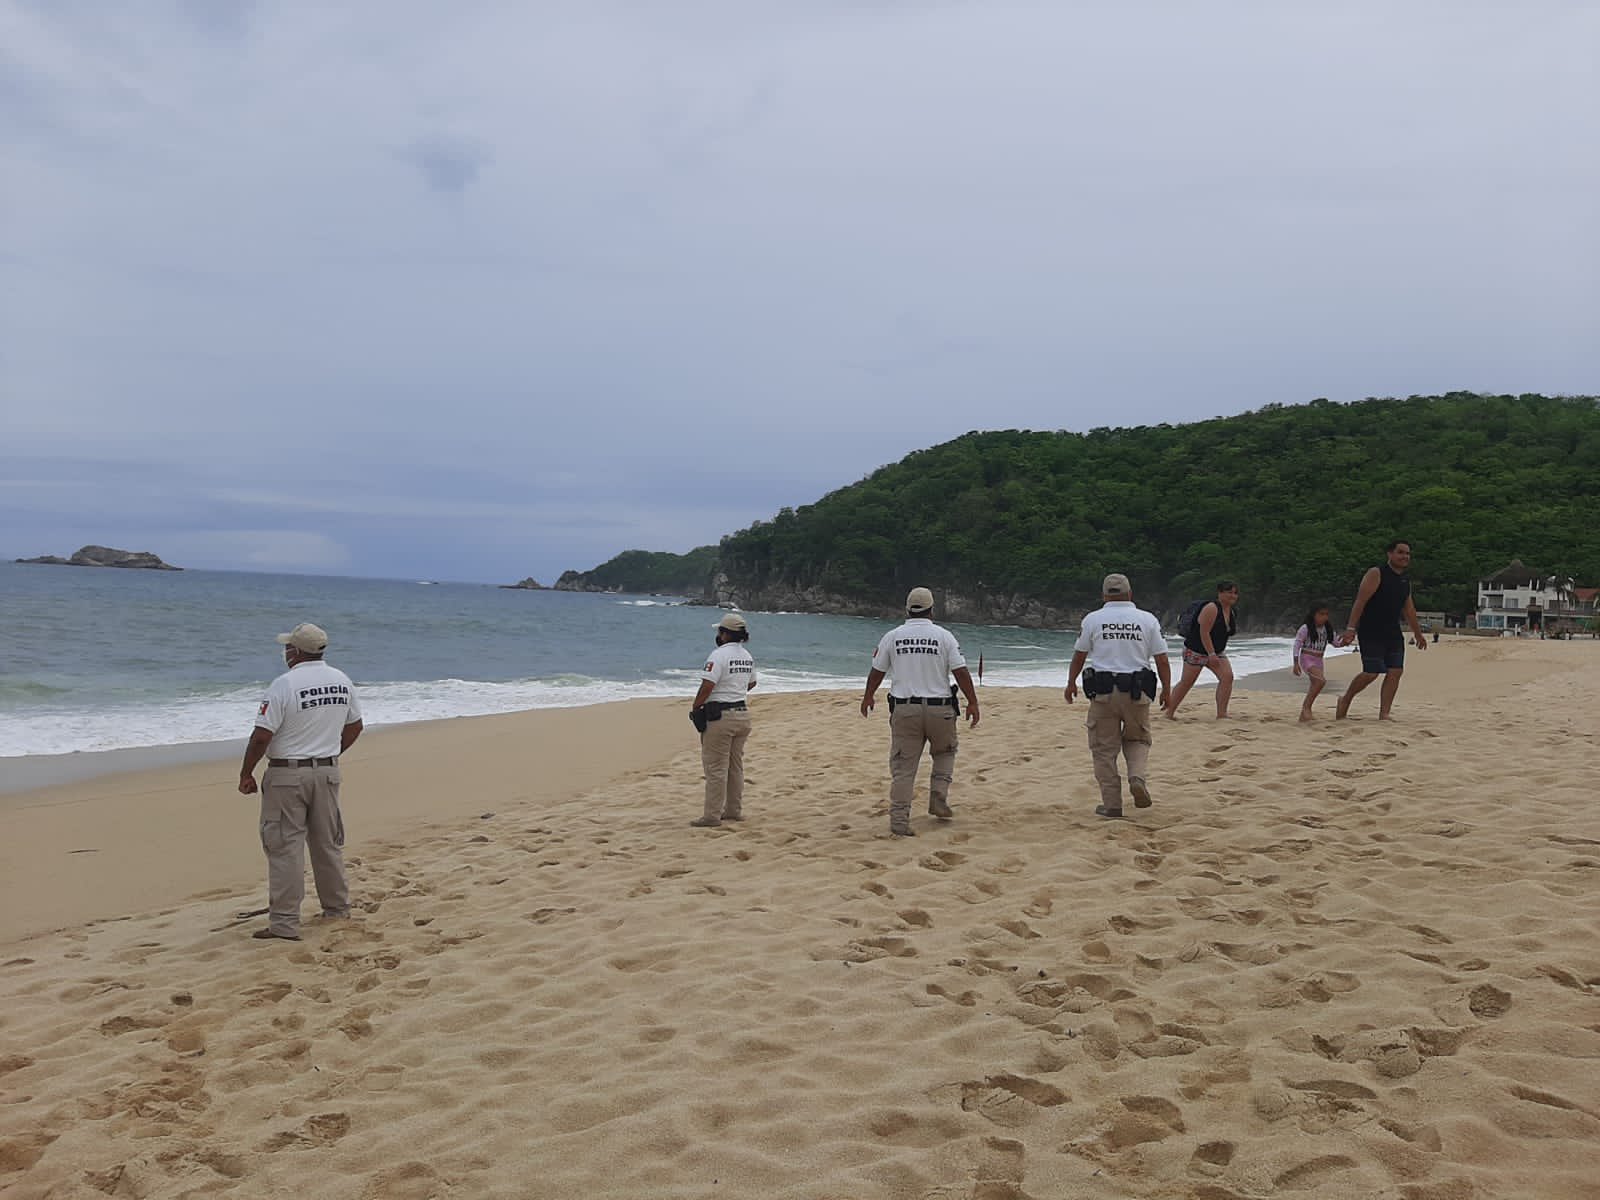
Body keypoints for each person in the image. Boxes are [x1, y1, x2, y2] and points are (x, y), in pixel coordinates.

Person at [237, 623, 364, 941]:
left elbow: (261, 736)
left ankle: (284, 923)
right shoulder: (341, 680)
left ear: (294, 651)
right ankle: (336, 909)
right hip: (327, 771)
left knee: (284, 847)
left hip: (287, 775)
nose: (285, 652)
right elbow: (355, 726)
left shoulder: (284, 685)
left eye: (287, 647)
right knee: (327, 844)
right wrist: (331, 753)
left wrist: (246, 773)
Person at [860, 587, 980, 837]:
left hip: (905, 709)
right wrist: (973, 701)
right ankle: (938, 795)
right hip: (941, 709)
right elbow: (960, 671)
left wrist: (868, 696)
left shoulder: (892, 636)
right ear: (932, 609)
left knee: (904, 767)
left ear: (907, 609)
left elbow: (877, 671)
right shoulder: (944, 636)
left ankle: (900, 821)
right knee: (945, 753)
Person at [1065, 574, 1172, 818]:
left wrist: (1071, 683)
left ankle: (1112, 804)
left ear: (1104, 596)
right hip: (1138, 691)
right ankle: (1136, 777)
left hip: (1103, 693)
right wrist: (1167, 688)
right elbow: (1161, 658)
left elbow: (1080, 655)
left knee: (1104, 749)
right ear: (1130, 594)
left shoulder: (1093, 619)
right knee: (1138, 740)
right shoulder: (1147, 619)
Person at [1336, 540, 1428, 720]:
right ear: (1390, 554)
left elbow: (1409, 609)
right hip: (1371, 630)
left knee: (1395, 671)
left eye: (1408, 554)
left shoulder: (1405, 580)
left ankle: (1384, 713)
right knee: (1371, 672)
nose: (1405, 557)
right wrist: (1350, 628)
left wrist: (1418, 634)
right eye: (1400, 552)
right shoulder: (1376, 573)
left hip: (1393, 632)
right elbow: (1360, 601)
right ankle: (1345, 699)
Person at [689, 613, 757, 828]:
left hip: (721, 717)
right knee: (735, 766)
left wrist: (696, 705)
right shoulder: (747, 656)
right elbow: (752, 683)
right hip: (742, 713)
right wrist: (734, 689)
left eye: (719, 631)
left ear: (725, 634)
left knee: (716, 768)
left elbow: (708, 684)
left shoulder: (718, 655)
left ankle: (711, 816)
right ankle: (733, 810)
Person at [1164, 580, 1240, 719]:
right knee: (1187, 682)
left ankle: (1222, 714)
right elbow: (1203, 632)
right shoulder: (1211, 608)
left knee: (1227, 677)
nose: (1233, 596)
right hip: (1196, 650)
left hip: (1216, 652)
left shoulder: (1232, 612)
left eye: (1235, 593)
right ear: (1220, 593)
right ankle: (1169, 713)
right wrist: (1210, 653)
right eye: (1229, 592)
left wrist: (1214, 653)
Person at [1292, 603, 1338, 722]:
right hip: (1307, 658)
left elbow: (1336, 643)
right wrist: (1296, 663)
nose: (1324, 617)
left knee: (1315, 684)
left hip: (1319, 659)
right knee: (1320, 681)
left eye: (1326, 614)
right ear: (1314, 615)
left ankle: (1305, 713)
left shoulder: (1327, 629)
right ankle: (1306, 708)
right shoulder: (1305, 628)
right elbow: (1297, 644)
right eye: (1321, 614)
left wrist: (1346, 640)